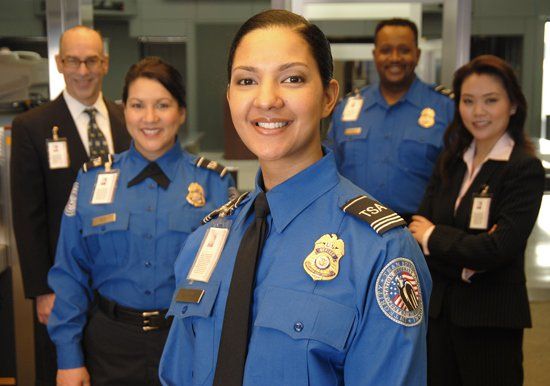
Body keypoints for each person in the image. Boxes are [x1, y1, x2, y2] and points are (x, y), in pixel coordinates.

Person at [159, 10, 431, 386]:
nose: (267, 99)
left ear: (328, 97)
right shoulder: (207, 240)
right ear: (230, 97)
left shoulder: (381, 251)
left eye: (292, 78)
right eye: (246, 80)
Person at [47, 57, 235, 386]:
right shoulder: (93, 180)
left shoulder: (214, 184)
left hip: (187, 341)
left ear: (181, 112)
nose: (149, 118)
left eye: (162, 105)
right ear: (125, 112)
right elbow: (69, 273)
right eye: (137, 105)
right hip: (108, 346)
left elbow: (232, 281)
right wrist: (68, 358)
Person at [409, 55, 544, 386]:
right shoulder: (452, 159)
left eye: (491, 100)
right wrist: (467, 259)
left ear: (513, 105)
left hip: (490, 319)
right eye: (468, 101)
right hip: (440, 315)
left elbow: (499, 249)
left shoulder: (522, 168)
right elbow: (416, 229)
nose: (478, 112)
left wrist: (434, 238)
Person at [9, 25, 130, 386]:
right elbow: (27, 215)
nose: (82, 71)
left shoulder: (129, 121)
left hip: (120, 280)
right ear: (59, 63)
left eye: (91, 60)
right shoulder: (32, 127)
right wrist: (42, 289)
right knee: (66, 370)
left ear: (105, 63)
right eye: (73, 61)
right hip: (64, 282)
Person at [326, 18, 455, 221]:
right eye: (386, 50)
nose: (394, 58)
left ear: (417, 54)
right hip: (356, 228)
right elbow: (329, 172)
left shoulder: (446, 108)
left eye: (404, 50)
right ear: (375, 54)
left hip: (419, 230)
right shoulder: (347, 108)